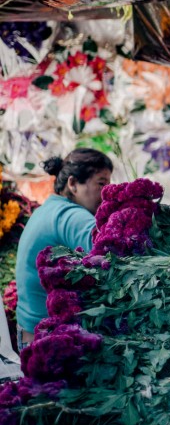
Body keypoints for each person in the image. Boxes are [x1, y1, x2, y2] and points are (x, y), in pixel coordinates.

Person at [15, 149, 113, 351]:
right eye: (101, 183)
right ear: (73, 184)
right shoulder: (69, 215)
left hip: (29, 334)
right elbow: (110, 248)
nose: (107, 193)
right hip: (44, 342)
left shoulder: (50, 208)